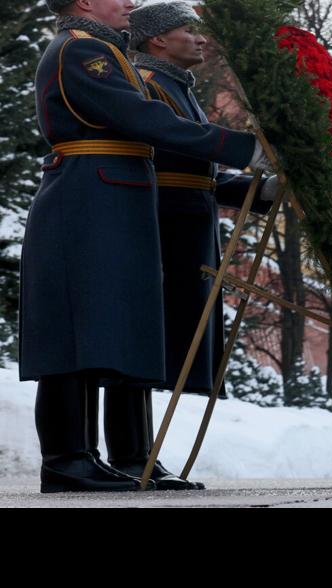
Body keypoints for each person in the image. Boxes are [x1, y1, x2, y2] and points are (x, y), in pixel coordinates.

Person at [20, 0, 269, 493]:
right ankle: (68, 460)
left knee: (104, 329)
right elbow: (139, 116)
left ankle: (94, 457)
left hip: (111, 195)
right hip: (89, 194)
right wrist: (246, 148)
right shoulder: (80, 49)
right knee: (77, 331)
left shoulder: (98, 50)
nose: (131, 2)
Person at [121, 1, 277, 490]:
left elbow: (196, 173)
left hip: (187, 225)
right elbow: (172, 154)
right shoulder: (145, 85)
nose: (201, 38)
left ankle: (138, 455)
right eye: (188, 30)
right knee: (144, 340)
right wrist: (246, 151)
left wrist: (259, 191)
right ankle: (130, 456)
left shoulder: (173, 86)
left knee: (158, 345)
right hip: (162, 227)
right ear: (157, 39)